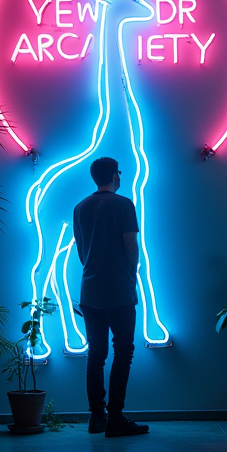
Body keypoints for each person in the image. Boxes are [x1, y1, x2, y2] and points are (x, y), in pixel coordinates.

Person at [73, 156, 150, 437]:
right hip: (119, 290)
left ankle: (97, 417)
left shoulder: (80, 207)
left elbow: (82, 252)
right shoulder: (123, 204)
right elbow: (132, 246)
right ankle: (116, 417)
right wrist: (132, 272)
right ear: (116, 176)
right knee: (123, 352)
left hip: (90, 291)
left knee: (96, 355)